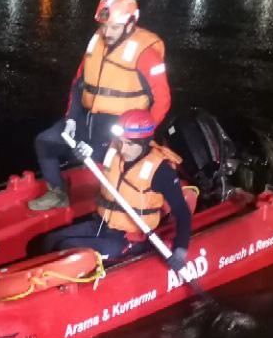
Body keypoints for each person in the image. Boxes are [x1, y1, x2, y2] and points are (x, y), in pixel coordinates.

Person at [28, 0, 172, 210]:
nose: (106, 32)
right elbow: (79, 84)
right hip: (88, 121)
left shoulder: (146, 55)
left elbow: (162, 100)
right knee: (45, 142)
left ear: (130, 23)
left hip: (121, 130)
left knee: (104, 160)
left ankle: (116, 205)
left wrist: (137, 137)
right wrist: (71, 118)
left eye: (113, 27)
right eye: (104, 26)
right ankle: (58, 192)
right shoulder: (96, 43)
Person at [45, 108, 192, 266]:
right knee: (50, 241)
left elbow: (182, 213)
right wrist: (83, 149)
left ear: (143, 143)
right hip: (101, 224)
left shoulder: (161, 171)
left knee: (67, 247)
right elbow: (92, 150)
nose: (123, 149)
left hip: (129, 238)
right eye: (121, 141)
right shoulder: (114, 149)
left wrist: (180, 249)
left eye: (129, 144)